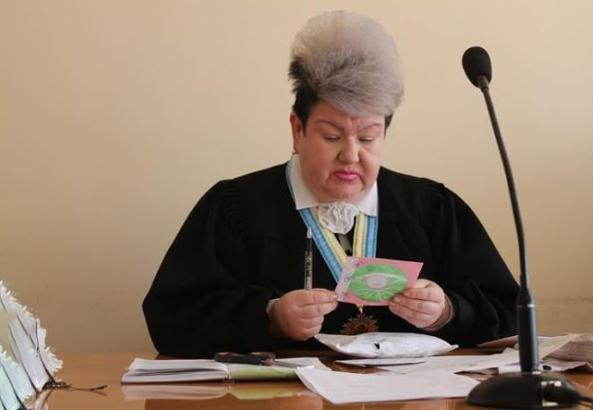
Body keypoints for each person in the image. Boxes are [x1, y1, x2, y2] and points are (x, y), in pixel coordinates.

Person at [143, 10, 518, 358]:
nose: (351, 155)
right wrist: (270, 316)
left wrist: (447, 311)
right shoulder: (236, 208)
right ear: (298, 130)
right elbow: (171, 318)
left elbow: (511, 312)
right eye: (332, 136)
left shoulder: (431, 208)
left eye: (368, 138)